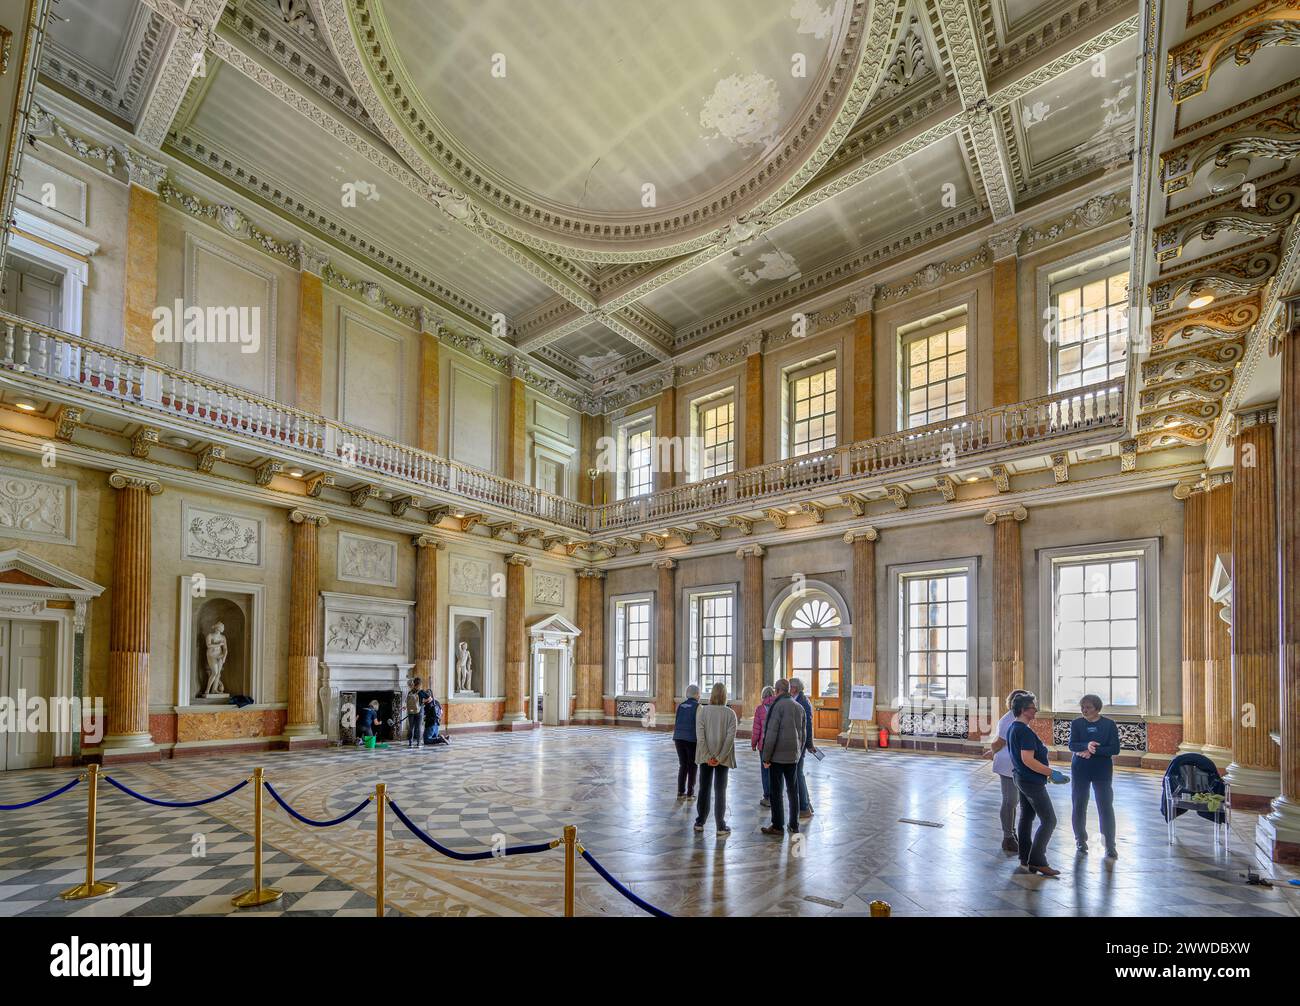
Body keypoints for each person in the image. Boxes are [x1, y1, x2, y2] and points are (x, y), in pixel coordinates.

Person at [1007, 691, 1060, 876]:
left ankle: (1024, 856)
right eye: (1032, 707)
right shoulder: (1024, 731)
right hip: (1031, 780)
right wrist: (1051, 772)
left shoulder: (1014, 728)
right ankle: (1037, 860)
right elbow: (1028, 760)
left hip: (1021, 777)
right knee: (1049, 820)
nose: (1035, 710)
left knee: (1026, 817)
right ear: (1023, 710)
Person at [1069, 694, 1120, 858]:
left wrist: (1093, 750)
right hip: (1080, 769)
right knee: (1079, 804)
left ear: (1097, 708)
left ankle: (1110, 845)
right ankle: (1080, 840)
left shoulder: (1109, 725)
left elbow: (1114, 749)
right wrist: (1086, 745)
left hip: (1102, 770)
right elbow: (1072, 745)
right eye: (1082, 707)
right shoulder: (1077, 723)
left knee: (1105, 806)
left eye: (1088, 707)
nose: (1084, 710)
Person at [985, 688, 1031, 854]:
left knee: (1014, 801)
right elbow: (999, 742)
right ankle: (1008, 837)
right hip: (1007, 765)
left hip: (1017, 765)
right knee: (1010, 800)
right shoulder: (1008, 720)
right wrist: (993, 751)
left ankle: (1011, 833)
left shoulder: (1019, 717)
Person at [760, 678, 805, 836]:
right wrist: (798, 753)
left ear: (778, 690)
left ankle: (778, 825)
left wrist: (766, 757)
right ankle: (794, 824)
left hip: (777, 758)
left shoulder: (776, 706)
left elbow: (771, 735)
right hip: (793, 756)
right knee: (793, 791)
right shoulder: (799, 707)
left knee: (776, 791)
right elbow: (803, 735)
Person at [693, 682, 738, 836]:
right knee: (720, 790)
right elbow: (730, 739)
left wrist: (708, 756)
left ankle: (700, 822)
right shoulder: (730, 714)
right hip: (723, 758)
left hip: (706, 758)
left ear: (711, 694)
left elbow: (700, 737)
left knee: (704, 788)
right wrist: (719, 757)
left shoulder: (702, 712)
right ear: (725, 695)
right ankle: (720, 825)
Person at [790, 677, 817, 821]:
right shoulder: (795, 699)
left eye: (790, 686)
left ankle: (805, 806)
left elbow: (808, 725)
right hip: (796, 742)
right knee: (798, 773)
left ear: (795, 688)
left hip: (800, 743)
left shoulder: (803, 702)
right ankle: (806, 804)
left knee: (798, 773)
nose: (789, 688)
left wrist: (809, 744)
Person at [673, 684, 701, 800]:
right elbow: (699, 725)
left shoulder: (680, 706)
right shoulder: (698, 707)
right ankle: (690, 793)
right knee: (692, 765)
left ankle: (680, 792)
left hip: (678, 738)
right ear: (697, 695)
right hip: (691, 739)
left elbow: (677, 721)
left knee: (683, 765)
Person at [752, 685, 776, 807]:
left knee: (765, 770)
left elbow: (756, 729)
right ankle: (776, 796)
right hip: (776, 745)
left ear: (763, 696)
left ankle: (767, 797)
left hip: (763, 745)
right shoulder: (778, 707)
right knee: (776, 770)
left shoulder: (760, 709)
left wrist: (753, 743)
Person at [405, 677, 424, 748]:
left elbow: (407, 702)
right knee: (419, 727)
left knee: (411, 727)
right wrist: (423, 702)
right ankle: (418, 743)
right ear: (420, 684)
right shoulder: (421, 692)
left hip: (411, 711)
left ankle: (410, 743)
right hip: (419, 711)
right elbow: (429, 698)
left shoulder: (410, 692)